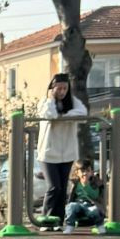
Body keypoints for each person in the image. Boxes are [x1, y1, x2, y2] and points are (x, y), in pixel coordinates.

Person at [36, 72, 87, 227]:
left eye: (65, 89)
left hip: (67, 153)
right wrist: (52, 99)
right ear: (52, 88)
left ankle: (58, 220)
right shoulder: (45, 102)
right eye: (59, 88)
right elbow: (49, 114)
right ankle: (47, 220)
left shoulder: (73, 102)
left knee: (62, 188)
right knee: (54, 186)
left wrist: (65, 115)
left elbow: (83, 113)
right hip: (49, 152)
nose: (62, 92)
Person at [64, 159, 105, 232]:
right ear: (77, 173)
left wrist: (87, 185)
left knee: (95, 210)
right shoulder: (75, 184)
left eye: (88, 171)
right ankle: (70, 225)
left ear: (91, 172)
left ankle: (100, 226)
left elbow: (95, 196)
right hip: (79, 205)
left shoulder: (94, 183)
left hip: (90, 205)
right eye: (82, 171)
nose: (85, 173)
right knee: (71, 206)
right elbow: (70, 198)